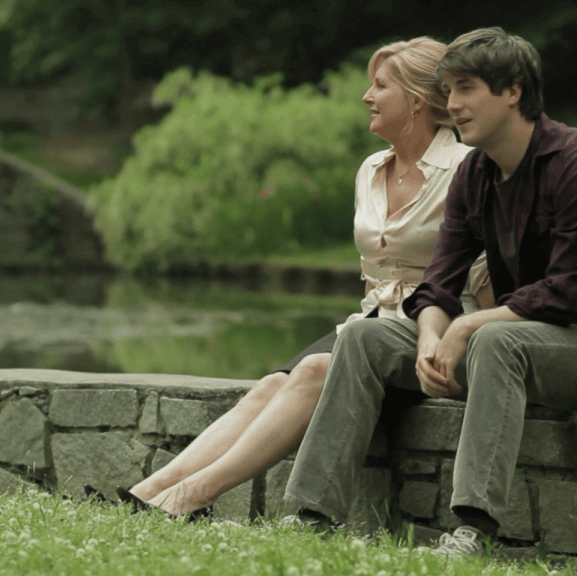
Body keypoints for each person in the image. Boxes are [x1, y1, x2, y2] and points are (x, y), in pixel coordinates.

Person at [281, 27, 577, 556]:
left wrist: (464, 325)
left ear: (512, 91)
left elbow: (567, 293)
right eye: (447, 91)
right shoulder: (475, 175)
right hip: (515, 342)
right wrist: (429, 339)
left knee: (492, 341)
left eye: (465, 89)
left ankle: (472, 532)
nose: (451, 104)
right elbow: (439, 281)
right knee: (364, 339)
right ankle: (311, 516)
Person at [102, 37, 491, 518]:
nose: (367, 97)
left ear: (415, 99)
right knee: (270, 384)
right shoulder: (371, 170)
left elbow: (483, 276)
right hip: (373, 318)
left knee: (312, 369)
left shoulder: (466, 169)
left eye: (380, 86)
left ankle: (193, 496)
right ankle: (152, 491)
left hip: (440, 325)